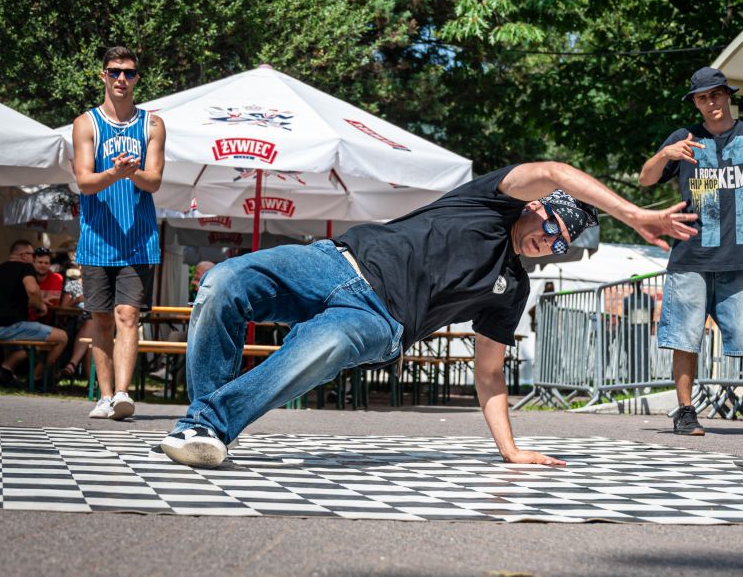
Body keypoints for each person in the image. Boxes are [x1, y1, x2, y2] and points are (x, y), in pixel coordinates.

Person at [156, 162, 697, 468]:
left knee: (324, 345)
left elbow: (490, 373)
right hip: (333, 261)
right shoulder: (492, 201)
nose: (548, 242)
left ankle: (207, 426)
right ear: (537, 204)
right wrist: (633, 213)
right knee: (224, 282)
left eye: (560, 244)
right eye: (550, 227)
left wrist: (510, 450)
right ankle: (202, 425)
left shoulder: (512, 289)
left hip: (379, 321)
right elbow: (553, 169)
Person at [638, 67, 743, 437]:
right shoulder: (684, 138)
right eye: (703, 97)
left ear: (728, 95)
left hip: (740, 256)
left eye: (717, 94)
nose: (711, 102)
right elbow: (645, 178)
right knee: (684, 338)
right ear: (696, 102)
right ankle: (685, 411)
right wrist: (665, 154)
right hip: (690, 256)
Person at [72, 46, 166, 420]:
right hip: (96, 238)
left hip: (138, 239)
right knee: (101, 319)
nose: (121, 79)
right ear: (103, 76)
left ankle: (123, 395)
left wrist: (132, 173)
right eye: (114, 72)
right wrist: (115, 173)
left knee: (127, 314)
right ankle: (105, 395)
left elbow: (154, 181)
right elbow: (84, 181)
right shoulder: (86, 123)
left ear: (137, 78)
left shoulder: (153, 125)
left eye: (128, 72)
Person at [0, 240, 68, 389]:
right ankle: (36, 378)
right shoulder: (26, 267)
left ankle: (5, 372)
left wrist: (36, 302)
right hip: (10, 327)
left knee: (20, 352)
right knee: (62, 337)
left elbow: (7, 300)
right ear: (24, 255)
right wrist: (41, 305)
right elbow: (32, 290)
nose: (33, 259)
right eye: (32, 255)